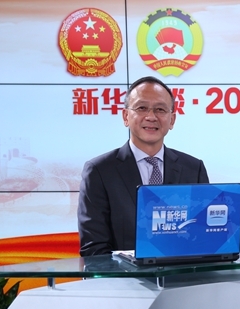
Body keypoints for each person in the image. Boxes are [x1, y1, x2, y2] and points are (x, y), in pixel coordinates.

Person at [78, 76, 209, 256]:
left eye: (160, 109)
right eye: (141, 108)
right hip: (123, 274)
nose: (151, 117)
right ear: (126, 116)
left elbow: (204, 238)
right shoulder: (99, 171)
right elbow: (94, 249)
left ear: (172, 120)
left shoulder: (194, 169)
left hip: (181, 273)